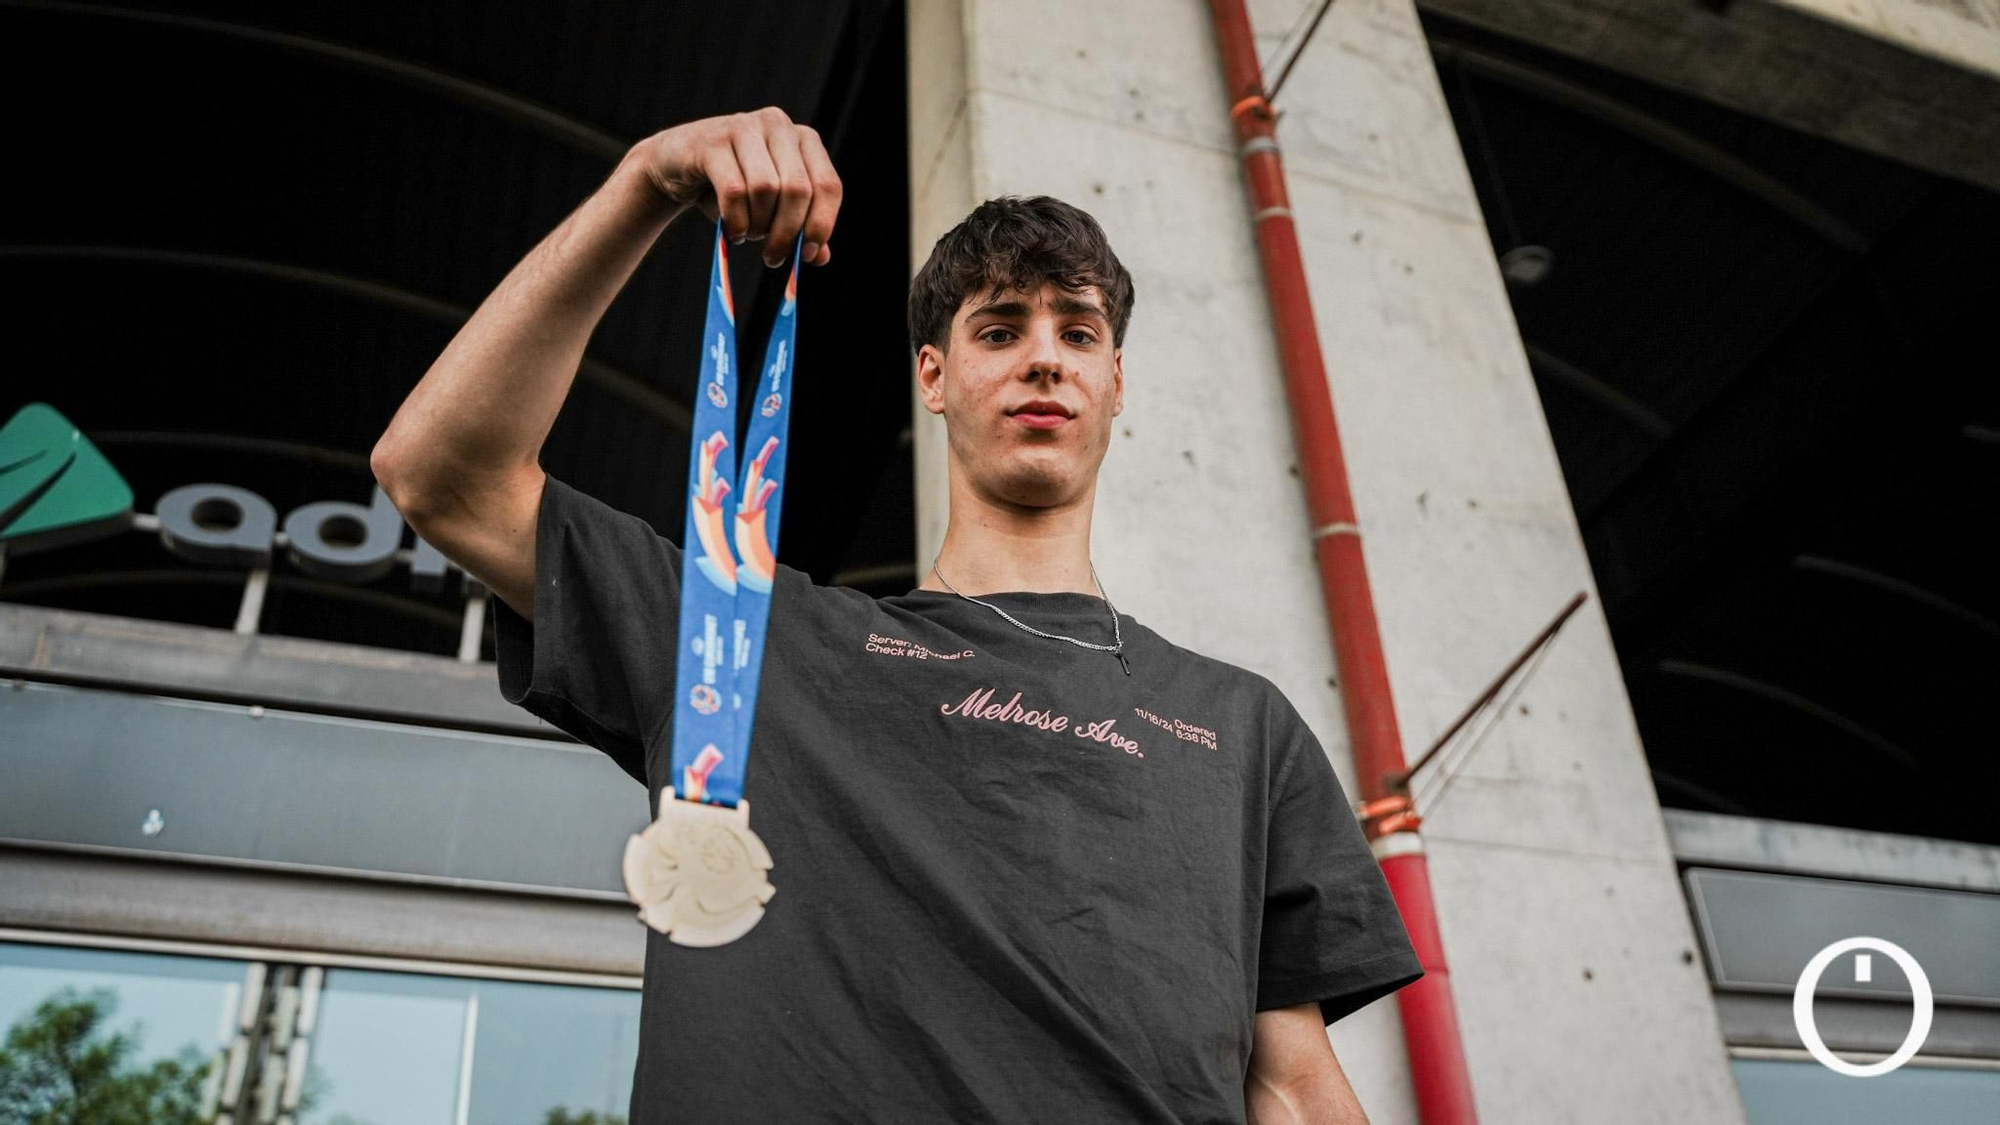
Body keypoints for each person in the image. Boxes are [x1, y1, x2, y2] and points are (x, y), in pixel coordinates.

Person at [372, 107, 1423, 1125]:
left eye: (1078, 332)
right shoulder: (754, 639)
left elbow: (1289, 1083)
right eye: (1000, 329)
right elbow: (441, 479)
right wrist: (644, 183)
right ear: (934, 374)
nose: (1043, 358)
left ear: (1114, 383)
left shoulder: (1241, 726)